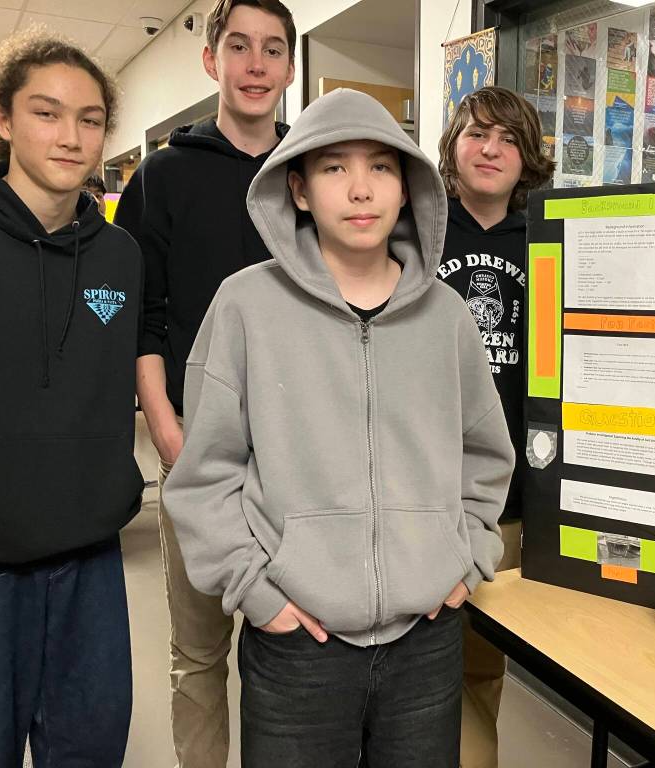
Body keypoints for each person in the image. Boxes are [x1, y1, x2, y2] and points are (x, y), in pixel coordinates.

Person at [163, 87, 515, 768]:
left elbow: (484, 453)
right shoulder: (245, 306)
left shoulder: (446, 315)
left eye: (381, 167)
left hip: (427, 638)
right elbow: (204, 473)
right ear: (296, 189)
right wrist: (259, 594)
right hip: (298, 643)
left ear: (408, 187)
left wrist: (467, 558)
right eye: (333, 168)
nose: (360, 189)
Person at [0, 29, 143, 768]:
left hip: (89, 558)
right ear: (2, 119)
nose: (70, 136)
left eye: (90, 119)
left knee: (89, 750)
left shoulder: (119, 253)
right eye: (47, 113)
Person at [113, 1, 295, 764]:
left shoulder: (310, 169)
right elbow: (140, 319)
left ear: (289, 66)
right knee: (197, 655)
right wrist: (165, 427)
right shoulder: (161, 177)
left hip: (298, 459)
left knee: (290, 656)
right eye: (240, 47)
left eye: (274, 50)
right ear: (212, 60)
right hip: (198, 451)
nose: (256, 65)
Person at [436, 86, 554, 768]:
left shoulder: (549, 239)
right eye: (477, 134)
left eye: (509, 139)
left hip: (504, 496)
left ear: (527, 157)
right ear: (453, 147)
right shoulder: (414, 228)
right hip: (416, 487)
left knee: (481, 665)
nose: (491, 149)